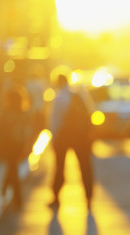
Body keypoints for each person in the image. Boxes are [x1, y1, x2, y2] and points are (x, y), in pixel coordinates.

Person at [48, 74, 94, 208]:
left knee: (60, 166)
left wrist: (54, 138)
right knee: (85, 166)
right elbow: (90, 113)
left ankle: (56, 196)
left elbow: (55, 120)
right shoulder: (79, 95)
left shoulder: (59, 97)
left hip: (64, 136)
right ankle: (89, 196)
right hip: (81, 137)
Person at [0, 90, 29, 208]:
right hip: (18, 144)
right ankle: (8, 190)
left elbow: (0, 129)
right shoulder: (23, 113)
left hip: (9, 143)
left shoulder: (6, 113)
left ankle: (15, 196)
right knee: (12, 167)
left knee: (12, 167)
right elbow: (26, 131)